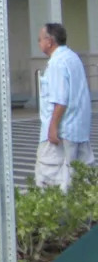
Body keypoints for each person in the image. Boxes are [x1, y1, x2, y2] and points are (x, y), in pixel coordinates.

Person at [35, 23, 94, 191]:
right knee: (80, 180)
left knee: (50, 179)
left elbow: (60, 99)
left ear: (49, 41)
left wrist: (52, 127)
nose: (39, 43)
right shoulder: (73, 58)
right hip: (79, 130)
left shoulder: (57, 63)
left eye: (40, 39)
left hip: (61, 132)